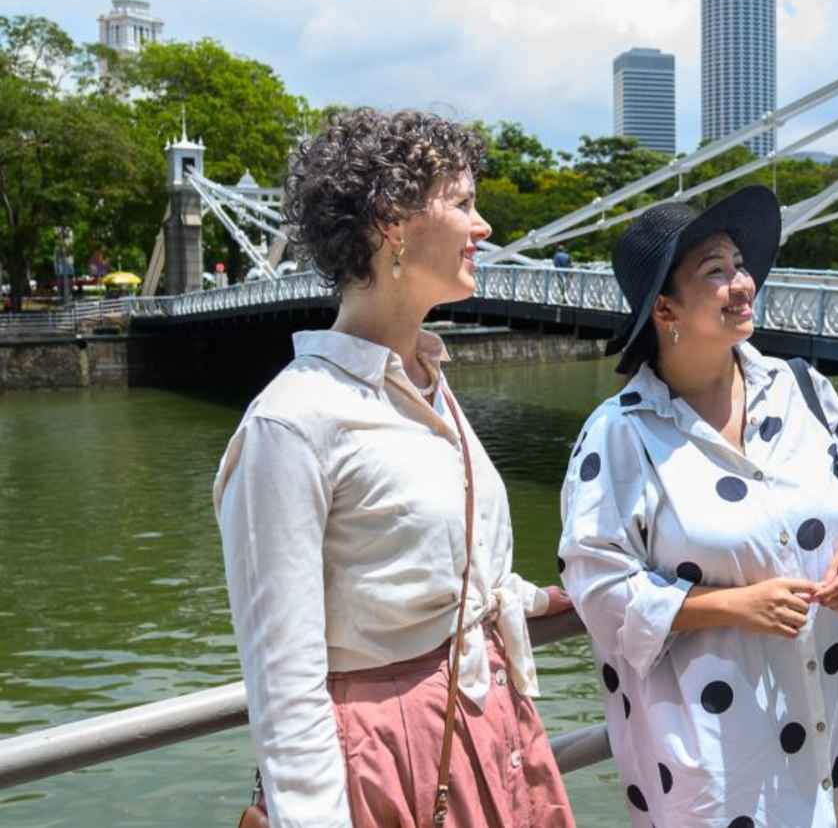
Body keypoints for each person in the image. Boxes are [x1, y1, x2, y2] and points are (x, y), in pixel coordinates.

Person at [213, 108, 575, 828]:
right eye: (464, 203)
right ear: (392, 222)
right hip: (390, 761)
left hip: (486, 726)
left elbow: (424, 560)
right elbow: (285, 681)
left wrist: (535, 598)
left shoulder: (428, 384)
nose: (486, 228)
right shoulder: (293, 423)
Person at [559, 186, 838, 828]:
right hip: (717, 739)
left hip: (834, 707)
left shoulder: (800, 387)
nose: (741, 283)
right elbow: (596, 584)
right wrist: (732, 607)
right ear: (666, 308)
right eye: (714, 273)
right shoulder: (620, 433)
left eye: (739, 265)